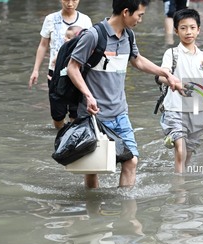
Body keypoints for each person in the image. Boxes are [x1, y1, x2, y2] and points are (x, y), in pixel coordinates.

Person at [67, 0, 182, 189]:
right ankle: (94, 212)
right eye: (140, 15)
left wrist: (166, 73)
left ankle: (125, 212)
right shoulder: (94, 35)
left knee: (131, 161)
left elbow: (137, 60)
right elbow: (73, 68)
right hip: (94, 115)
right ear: (126, 12)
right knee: (93, 167)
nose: (141, 19)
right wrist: (88, 95)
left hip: (120, 113)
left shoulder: (128, 35)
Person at [156, 8, 203, 173]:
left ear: (198, 30)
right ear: (176, 30)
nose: (188, 32)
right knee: (181, 150)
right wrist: (171, 80)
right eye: (183, 28)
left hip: (197, 111)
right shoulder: (172, 54)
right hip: (174, 109)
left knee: (188, 152)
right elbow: (162, 75)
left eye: (192, 27)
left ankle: (181, 178)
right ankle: (180, 193)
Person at [28, 0, 92, 130]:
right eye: (66, 0)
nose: (70, 3)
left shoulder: (85, 20)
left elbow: (90, 46)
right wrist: (36, 70)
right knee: (57, 114)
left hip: (77, 71)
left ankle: (73, 138)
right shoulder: (51, 19)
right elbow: (43, 45)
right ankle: (59, 135)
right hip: (55, 72)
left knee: (76, 111)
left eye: (74, 0)